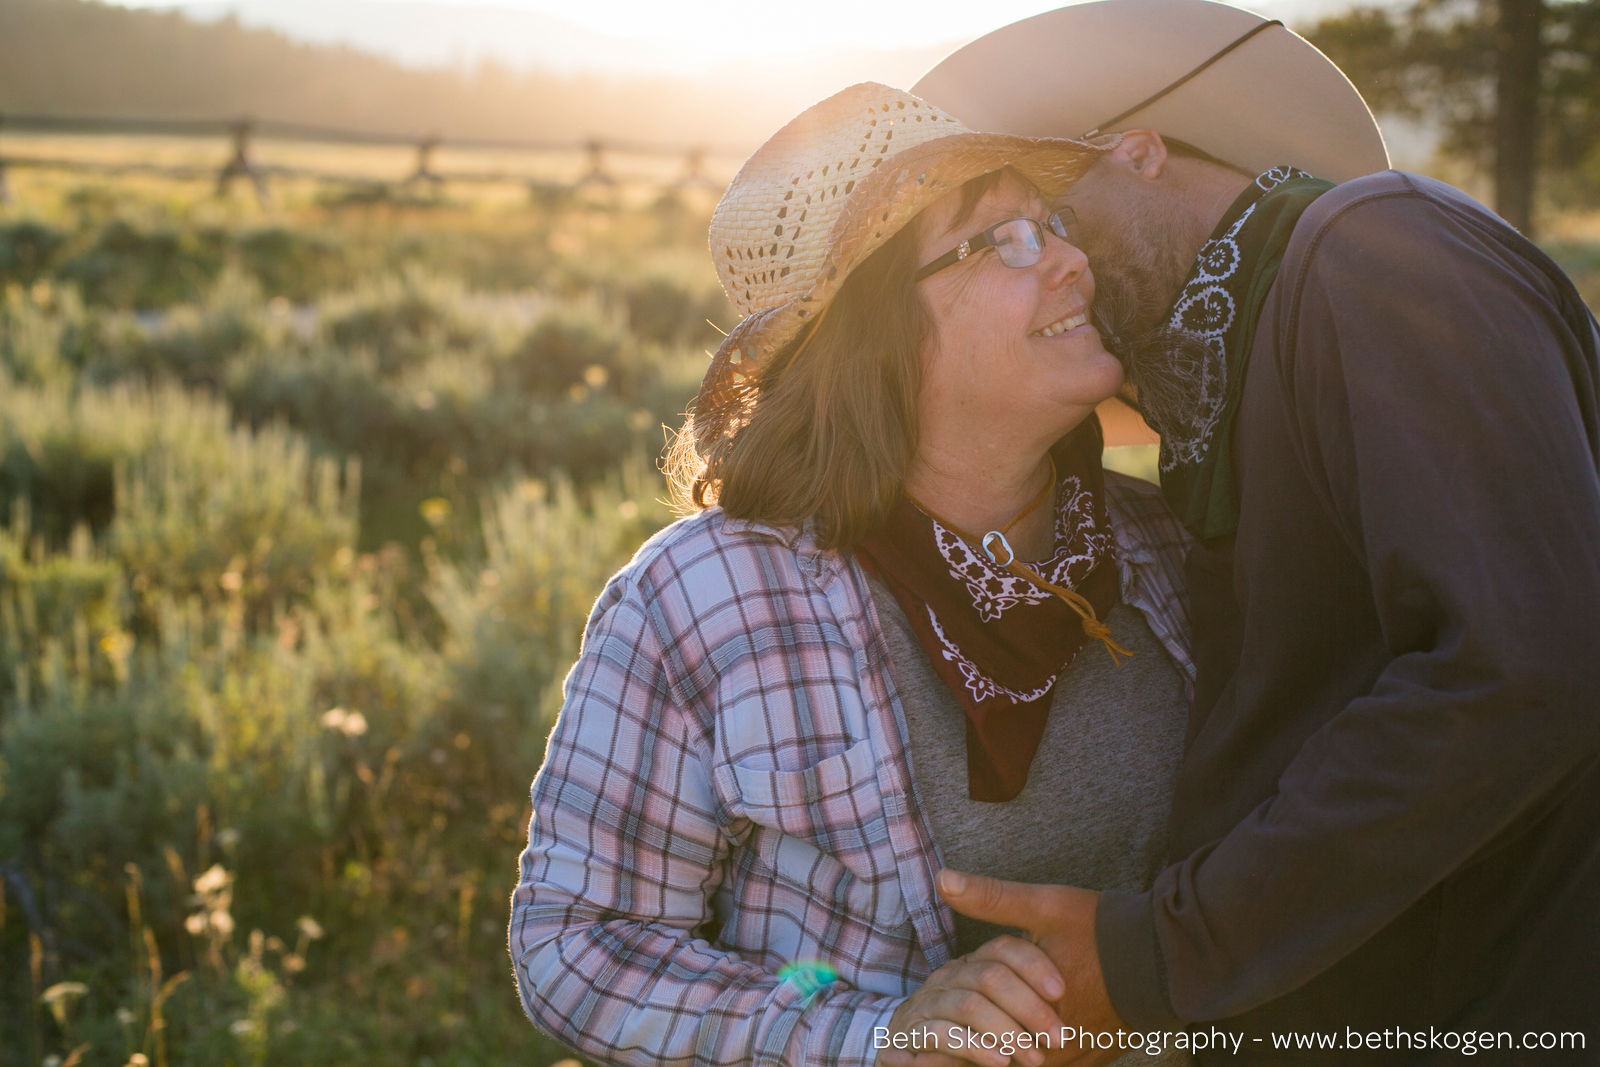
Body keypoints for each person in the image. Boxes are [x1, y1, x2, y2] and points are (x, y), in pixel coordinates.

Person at [904, 2, 1600, 1063]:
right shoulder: (1234, 382)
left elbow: (1522, 659)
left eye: (1046, 219)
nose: (1057, 265)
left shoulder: (1378, 248)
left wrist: (1160, 953)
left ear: (1138, 152)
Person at [509, 82, 1200, 1067]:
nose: (1071, 260)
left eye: (1050, 223)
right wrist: (867, 1033)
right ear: (879, 331)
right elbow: (578, 949)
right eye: (1000, 239)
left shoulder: (1172, 551)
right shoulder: (706, 598)